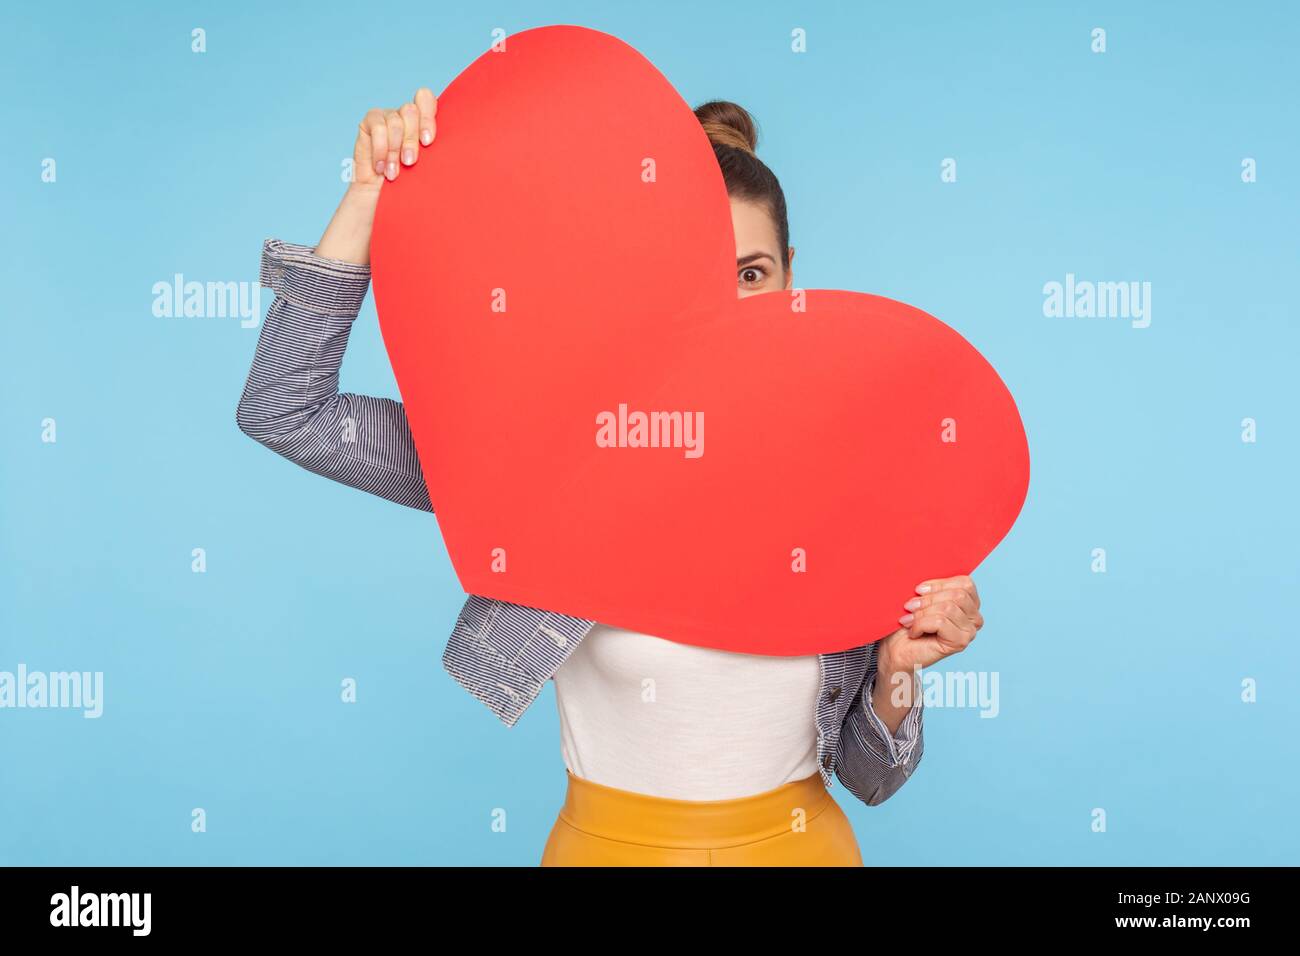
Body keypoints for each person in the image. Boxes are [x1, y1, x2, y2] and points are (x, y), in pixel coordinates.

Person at [236, 90, 986, 866]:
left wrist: (899, 669)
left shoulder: (855, 484)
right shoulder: (544, 458)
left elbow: (872, 777)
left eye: (751, 272)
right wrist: (368, 198)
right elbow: (286, 408)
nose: (729, 306)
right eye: (695, 274)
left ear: (792, 278)